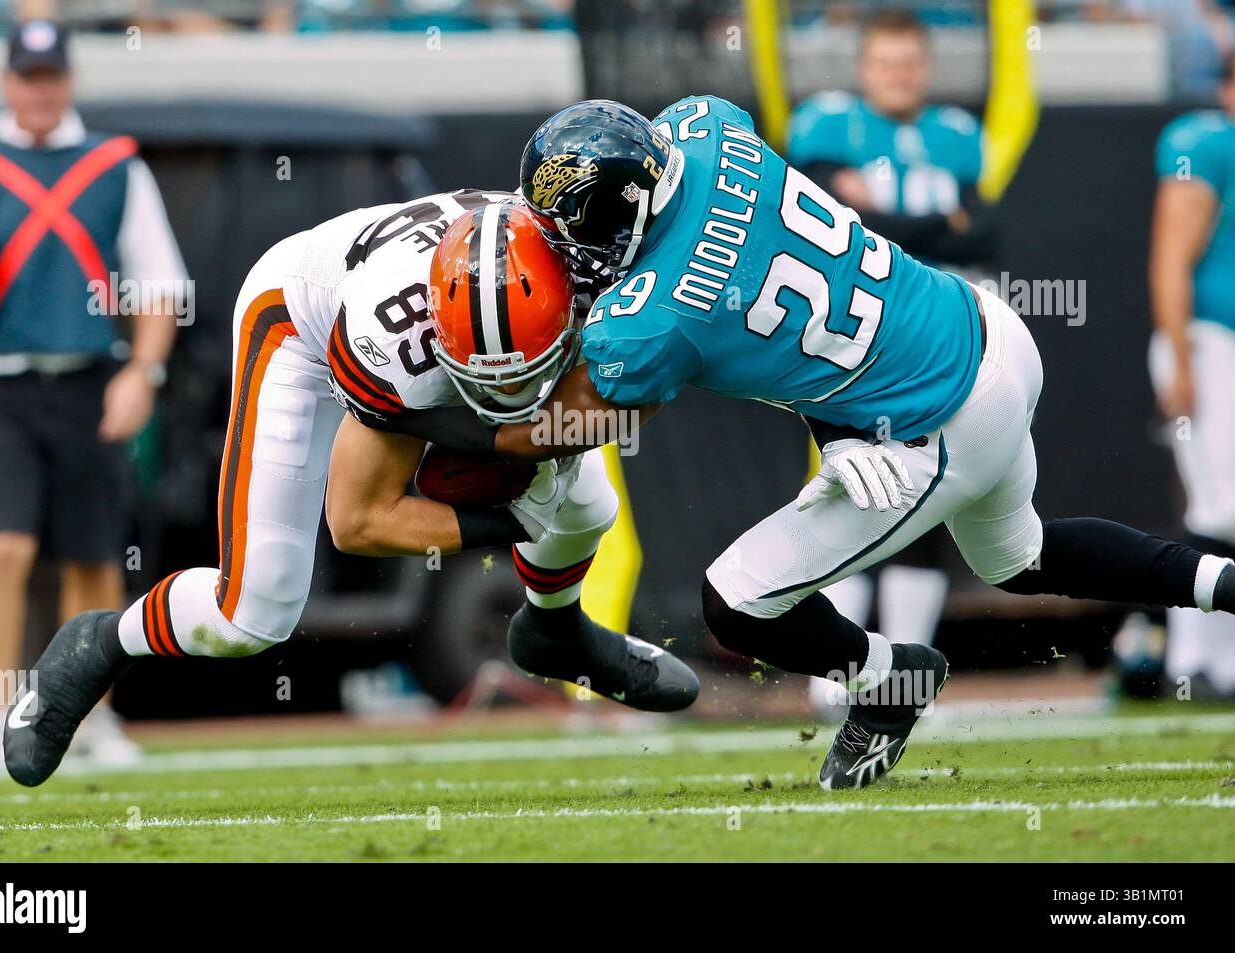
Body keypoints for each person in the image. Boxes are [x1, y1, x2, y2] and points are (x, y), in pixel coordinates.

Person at [491, 95, 1235, 789]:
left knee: (736, 602)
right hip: (982, 328)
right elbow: (773, 282)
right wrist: (841, 426)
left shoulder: (649, 324)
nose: (569, 249)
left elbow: (583, 415)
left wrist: (472, 429)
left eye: (578, 229)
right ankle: (1224, 584)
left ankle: (890, 680)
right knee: (1020, 555)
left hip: (938, 419)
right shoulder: (707, 126)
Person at [2, 191, 698, 787]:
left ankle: (555, 628)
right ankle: (101, 641)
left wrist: (537, 449)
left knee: (588, 504)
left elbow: (634, 394)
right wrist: (509, 520)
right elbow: (358, 520)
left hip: (467, 330)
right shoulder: (396, 347)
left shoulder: (589, 274)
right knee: (253, 610)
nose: (504, 396)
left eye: (522, 377)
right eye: (484, 382)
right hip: (302, 321)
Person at [0, 20, 184, 767]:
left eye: (50, 77)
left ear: (67, 81)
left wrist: (143, 373)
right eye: (26, 77)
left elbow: (159, 285)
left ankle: (89, 717)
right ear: (7, 83)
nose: (39, 91)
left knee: (93, 552)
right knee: (3, 544)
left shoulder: (115, 165)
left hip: (87, 375)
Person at [785, 8, 999, 700]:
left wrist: (886, 220)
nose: (898, 76)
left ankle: (903, 678)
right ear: (863, 67)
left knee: (928, 497)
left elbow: (983, 236)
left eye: (909, 64)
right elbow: (831, 220)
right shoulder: (827, 123)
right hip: (857, 341)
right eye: (886, 63)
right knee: (853, 489)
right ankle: (834, 672)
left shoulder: (957, 134)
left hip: (935, 341)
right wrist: (931, 225)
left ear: (927, 69)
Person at [1147, 56, 1235, 700]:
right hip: (1209, 342)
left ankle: (1222, 668)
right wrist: (1180, 356)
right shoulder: (1203, 143)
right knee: (1218, 508)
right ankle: (1187, 661)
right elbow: (1170, 258)